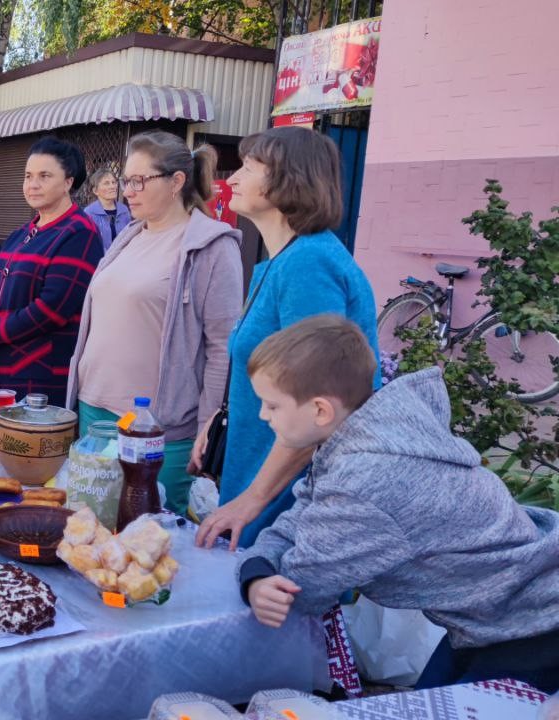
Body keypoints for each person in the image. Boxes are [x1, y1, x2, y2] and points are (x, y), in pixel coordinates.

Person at [237, 314, 559, 693]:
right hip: (496, 614)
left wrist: (254, 577)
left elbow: (303, 589)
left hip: (531, 625)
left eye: (271, 406)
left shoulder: (366, 479)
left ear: (320, 410)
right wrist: (259, 570)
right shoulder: (368, 436)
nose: (263, 415)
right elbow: (301, 518)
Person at [192, 127, 380, 550]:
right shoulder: (282, 261)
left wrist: (251, 500)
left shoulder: (308, 264)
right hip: (259, 471)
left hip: (285, 496)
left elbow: (321, 402)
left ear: (289, 179)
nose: (232, 179)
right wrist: (222, 416)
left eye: (248, 167)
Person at [66, 132, 243, 515]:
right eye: (126, 179)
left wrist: (205, 431)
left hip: (156, 427)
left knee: (146, 541)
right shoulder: (129, 236)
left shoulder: (211, 246)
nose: (127, 190)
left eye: (139, 180)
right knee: (90, 532)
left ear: (177, 181)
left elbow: (221, 349)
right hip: (94, 408)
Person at [0, 136, 103, 407]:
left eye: (44, 176)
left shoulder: (79, 233)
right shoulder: (21, 234)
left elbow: (52, 308)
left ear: (68, 182)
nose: (33, 184)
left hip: (39, 377)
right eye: (28, 176)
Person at [82, 167, 131, 253]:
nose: (112, 186)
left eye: (113, 182)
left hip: (122, 260)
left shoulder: (124, 210)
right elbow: (88, 243)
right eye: (106, 183)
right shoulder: (89, 213)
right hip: (99, 262)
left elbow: (129, 237)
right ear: (95, 191)